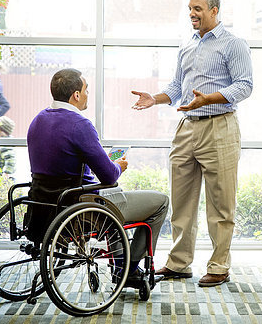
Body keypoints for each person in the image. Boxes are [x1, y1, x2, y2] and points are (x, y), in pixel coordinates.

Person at [131, 0, 253, 287]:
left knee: (221, 205)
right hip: (186, 128)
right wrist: (156, 98)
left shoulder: (233, 44)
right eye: (189, 8)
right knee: (181, 201)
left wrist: (208, 98)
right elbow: (176, 86)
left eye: (197, 9)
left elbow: (245, 85)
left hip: (219, 127)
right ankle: (178, 264)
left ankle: (219, 266)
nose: (191, 14)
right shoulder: (187, 46)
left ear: (214, 10)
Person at [27, 68, 169, 284]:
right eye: (86, 90)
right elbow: (109, 176)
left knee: (113, 198)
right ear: (76, 95)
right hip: (81, 207)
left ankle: (121, 263)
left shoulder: (38, 121)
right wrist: (119, 166)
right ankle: (128, 269)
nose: (87, 95)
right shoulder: (80, 125)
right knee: (161, 202)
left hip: (43, 205)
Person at [0, 116, 16, 180]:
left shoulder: (5, 144)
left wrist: (6, 173)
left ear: (2, 130)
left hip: (2, 177)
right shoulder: (0, 142)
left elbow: (10, 160)